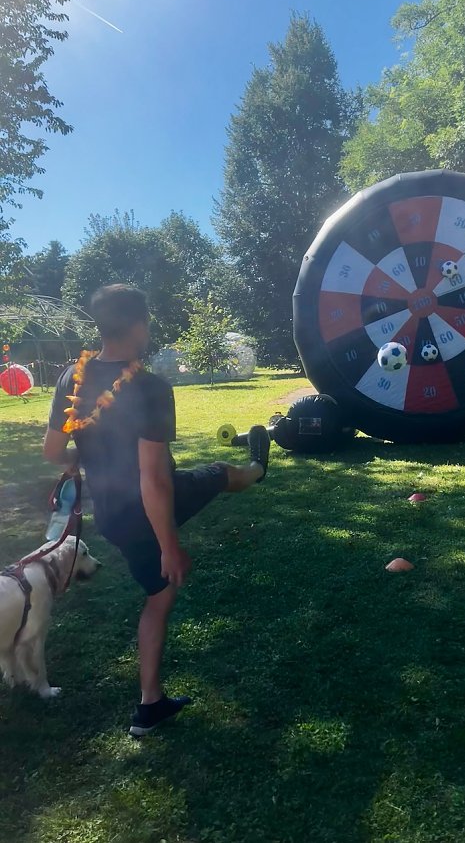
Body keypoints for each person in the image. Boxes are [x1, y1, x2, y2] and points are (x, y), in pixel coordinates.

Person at [43, 284, 270, 735]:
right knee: (222, 474)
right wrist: (171, 546)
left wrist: (84, 460)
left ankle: (151, 705)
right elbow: (155, 480)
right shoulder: (148, 387)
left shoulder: (74, 376)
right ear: (140, 324)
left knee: (158, 597)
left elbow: (53, 450)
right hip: (149, 510)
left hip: (111, 517)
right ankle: (258, 468)